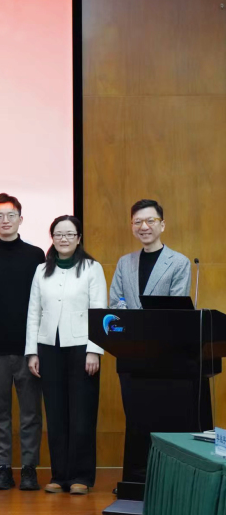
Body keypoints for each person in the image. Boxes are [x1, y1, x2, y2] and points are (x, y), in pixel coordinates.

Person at [109, 199, 200, 484]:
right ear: (132, 226)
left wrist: (138, 323)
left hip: (164, 359)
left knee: (163, 420)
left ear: (162, 225)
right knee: (136, 421)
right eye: (137, 222)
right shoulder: (124, 262)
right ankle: (136, 479)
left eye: (150, 221)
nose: (144, 226)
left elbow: (174, 308)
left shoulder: (179, 262)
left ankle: (164, 481)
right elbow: (116, 303)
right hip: (131, 356)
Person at [25, 215, 106, 495]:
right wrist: (32, 352)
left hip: (82, 348)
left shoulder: (92, 268)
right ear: (52, 238)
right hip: (49, 347)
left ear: (79, 238)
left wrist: (94, 350)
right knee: (56, 414)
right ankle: (59, 475)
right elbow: (33, 312)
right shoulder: (41, 270)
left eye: (70, 234)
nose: (64, 239)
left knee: (82, 414)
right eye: (58, 234)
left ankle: (81, 476)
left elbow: (99, 311)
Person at [0, 193, 45, 491]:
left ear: (21, 219)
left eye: (11, 215)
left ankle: (29, 468)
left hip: (29, 350)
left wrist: (38, 346)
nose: (5, 221)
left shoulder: (36, 255)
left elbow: (42, 302)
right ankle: (3, 468)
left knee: (31, 413)